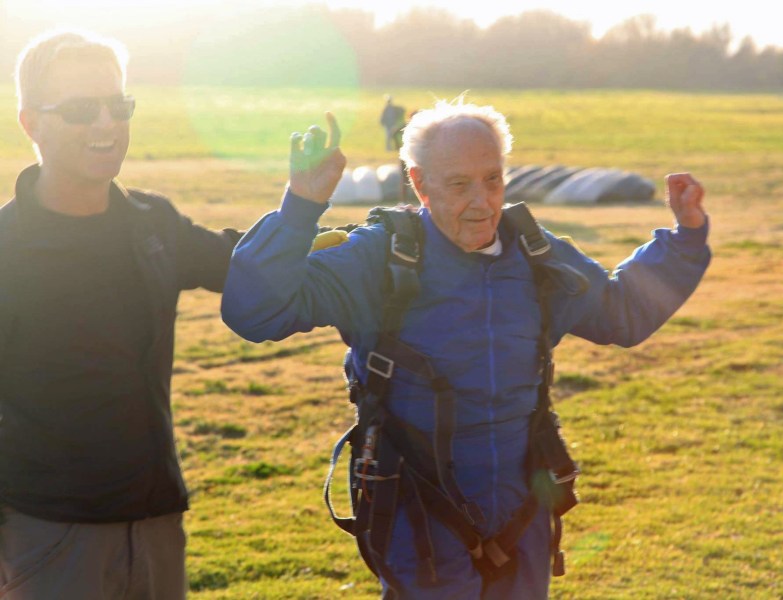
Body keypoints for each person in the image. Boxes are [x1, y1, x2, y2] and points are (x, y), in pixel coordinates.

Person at [221, 99, 711, 599]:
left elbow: (621, 313)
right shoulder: (379, 259)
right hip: (417, 511)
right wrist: (300, 208)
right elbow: (256, 312)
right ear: (420, 183)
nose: (482, 202)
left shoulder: (535, 255)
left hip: (524, 508)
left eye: (492, 180)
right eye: (459, 185)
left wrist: (686, 238)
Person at [0, 29, 245, 599]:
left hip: (157, 522)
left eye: (119, 105)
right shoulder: (6, 248)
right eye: (81, 110)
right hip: (50, 535)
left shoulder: (152, 222)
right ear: (31, 123)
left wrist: (309, 213)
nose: (106, 124)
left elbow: (242, 264)